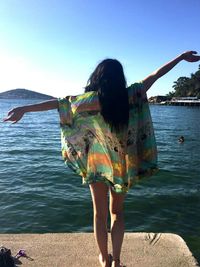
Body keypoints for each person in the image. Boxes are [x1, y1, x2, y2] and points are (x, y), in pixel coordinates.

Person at [3, 51, 200, 267]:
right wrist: (180, 58)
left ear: (97, 78)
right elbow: (156, 74)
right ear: (120, 78)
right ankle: (116, 260)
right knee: (118, 212)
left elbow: (59, 103)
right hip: (121, 166)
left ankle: (104, 259)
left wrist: (24, 108)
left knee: (99, 214)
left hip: (96, 166)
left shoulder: (88, 102)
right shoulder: (131, 95)